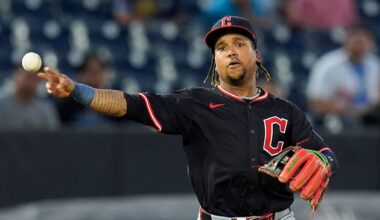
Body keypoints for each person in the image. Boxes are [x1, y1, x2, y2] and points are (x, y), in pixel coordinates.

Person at [37, 16, 338, 219]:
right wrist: (78, 91)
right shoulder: (196, 103)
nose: (230, 52)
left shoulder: (285, 110)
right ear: (215, 62)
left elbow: (325, 152)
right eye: (221, 48)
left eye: (238, 44)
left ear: (256, 54)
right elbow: (130, 105)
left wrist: (324, 161)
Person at [306, 24, 380, 127]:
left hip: (370, 119)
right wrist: (349, 111)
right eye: (356, 40)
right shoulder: (328, 65)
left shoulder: (374, 64)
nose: (359, 44)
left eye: (363, 40)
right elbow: (315, 104)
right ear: (346, 40)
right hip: (338, 120)